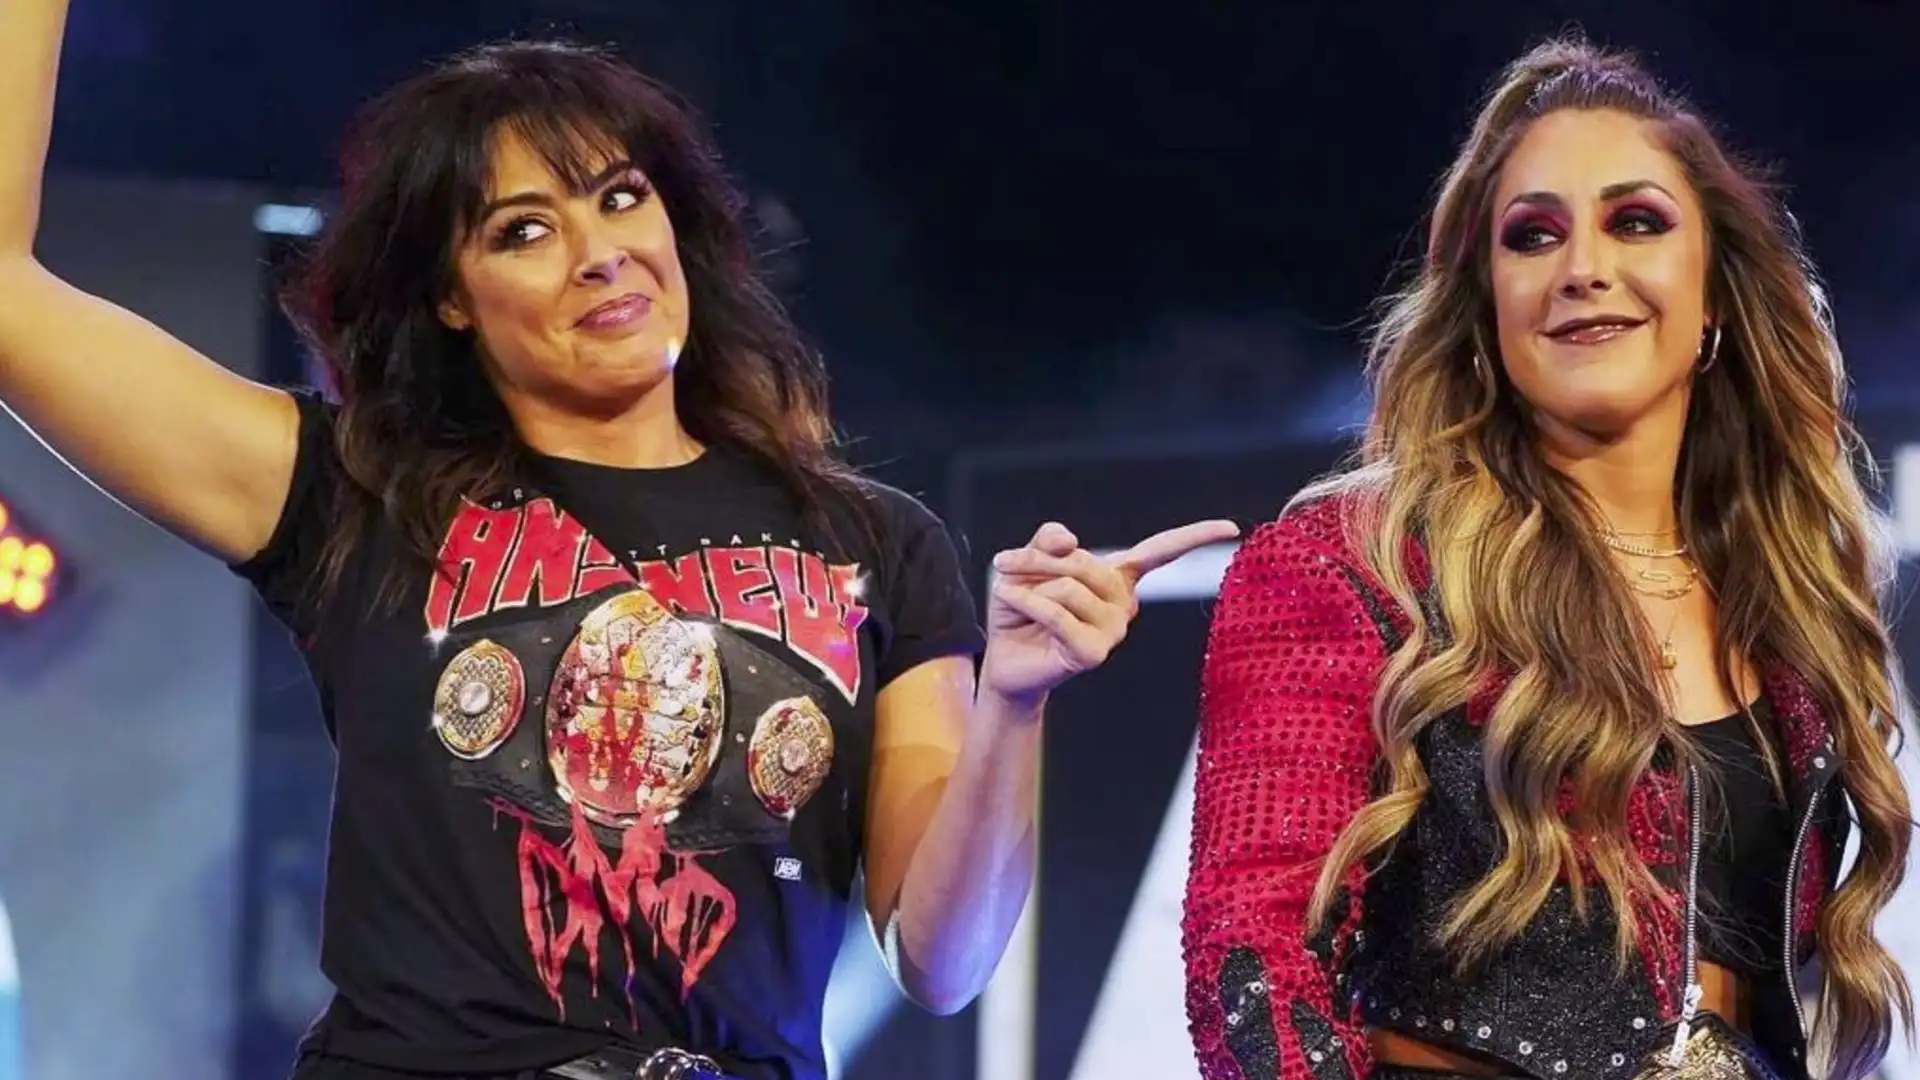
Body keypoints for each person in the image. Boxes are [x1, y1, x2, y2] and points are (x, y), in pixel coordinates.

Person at [0, 5, 1237, 1079]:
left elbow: (942, 960)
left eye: (619, 196)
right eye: (522, 230)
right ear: (450, 297)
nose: (599, 254)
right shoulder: (359, 492)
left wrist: (1016, 703)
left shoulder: (874, 542)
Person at [1182, 36, 1911, 1080]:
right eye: (1533, 236)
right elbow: (1251, 969)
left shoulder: (1788, 602)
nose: (1583, 270)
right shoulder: (1351, 568)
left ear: (1713, 296)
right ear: (1487, 308)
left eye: (1637, 222)